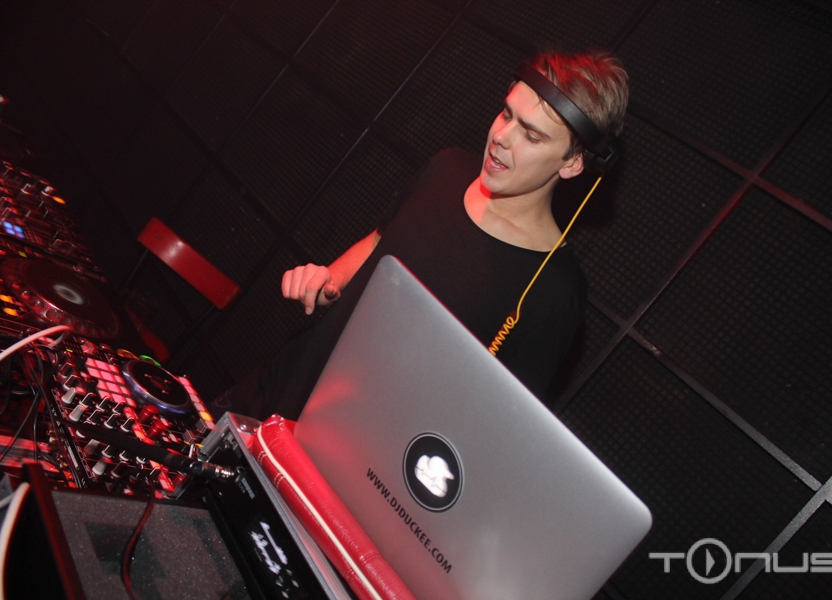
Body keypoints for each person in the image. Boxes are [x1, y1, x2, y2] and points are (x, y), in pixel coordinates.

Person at [213, 49, 628, 421]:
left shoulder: (555, 290)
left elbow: (498, 423)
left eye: (531, 135)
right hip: (267, 397)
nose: (501, 137)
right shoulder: (447, 168)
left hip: (337, 457)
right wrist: (328, 283)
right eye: (506, 114)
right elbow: (379, 242)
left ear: (573, 163)